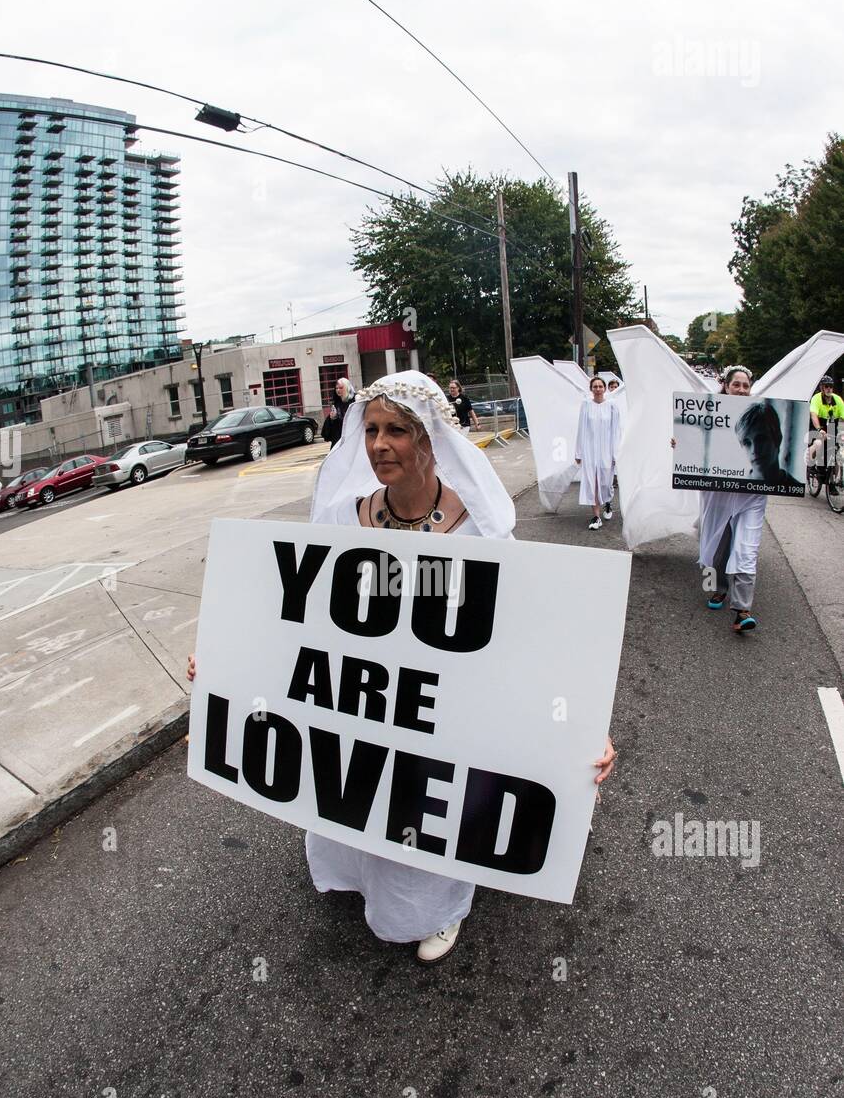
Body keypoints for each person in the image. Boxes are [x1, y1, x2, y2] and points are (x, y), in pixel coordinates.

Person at [187, 372, 616, 964]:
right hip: (368, 706)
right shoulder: (345, 519)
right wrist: (225, 658)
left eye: (396, 431)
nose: (379, 445)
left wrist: (581, 721)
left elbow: (531, 639)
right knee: (366, 789)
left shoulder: (482, 528)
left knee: (428, 809)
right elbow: (294, 621)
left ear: (429, 439)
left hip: (448, 715)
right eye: (370, 430)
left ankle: (440, 909)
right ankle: (357, 875)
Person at [697, 365, 765, 633]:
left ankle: (742, 610)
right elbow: (694, 445)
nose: (741, 389)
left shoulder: (760, 414)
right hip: (720, 493)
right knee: (719, 545)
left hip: (751, 496)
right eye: (736, 384)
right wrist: (680, 445)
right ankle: (718, 589)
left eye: (745, 386)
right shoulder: (708, 413)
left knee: (747, 549)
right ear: (725, 386)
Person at [575, 376, 621, 530]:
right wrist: (579, 452)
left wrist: (616, 453)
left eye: (600, 386)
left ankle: (607, 503)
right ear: (591, 389)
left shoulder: (612, 406)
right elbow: (581, 429)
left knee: (605, 483)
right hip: (590, 451)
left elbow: (616, 431)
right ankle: (596, 517)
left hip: (607, 451)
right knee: (592, 483)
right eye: (595, 386)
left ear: (605, 388)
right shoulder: (586, 405)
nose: (598, 389)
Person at [734, 400, 802, 488]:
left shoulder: (796, 488)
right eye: (747, 443)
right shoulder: (737, 487)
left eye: (761, 439)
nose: (755, 450)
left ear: (777, 438)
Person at [808, 376, 844, 468]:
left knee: (836, 449)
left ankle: (836, 478)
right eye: (826, 386)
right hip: (818, 426)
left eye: (831, 386)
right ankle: (809, 463)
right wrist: (819, 429)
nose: (829, 389)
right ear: (821, 388)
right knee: (818, 443)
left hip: (832, 427)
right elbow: (813, 415)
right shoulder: (816, 398)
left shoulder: (838, 399)